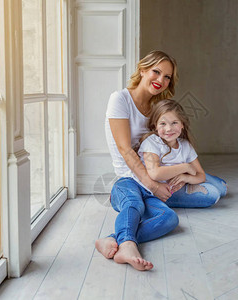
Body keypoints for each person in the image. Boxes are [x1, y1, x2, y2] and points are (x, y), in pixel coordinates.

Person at [95, 50, 227, 271]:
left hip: (160, 170)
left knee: (219, 189)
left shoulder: (159, 105)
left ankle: (115, 236)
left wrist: (183, 176)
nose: (161, 80)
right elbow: (125, 150)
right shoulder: (120, 99)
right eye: (156, 72)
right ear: (143, 69)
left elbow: (170, 142)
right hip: (132, 178)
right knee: (160, 210)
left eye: (167, 77)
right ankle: (126, 242)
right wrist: (155, 186)